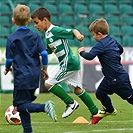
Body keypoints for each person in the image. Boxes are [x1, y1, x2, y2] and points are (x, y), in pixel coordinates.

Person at [31, 7, 106, 124]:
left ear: (45, 20)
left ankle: (70, 103)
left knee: (49, 83)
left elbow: (72, 31)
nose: (35, 26)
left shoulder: (54, 30)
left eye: (36, 22)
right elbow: (49, 51)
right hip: (71, 62)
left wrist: (79, 35)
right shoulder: (47, 35)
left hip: (68, 62)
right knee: (77, 90)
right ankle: (95, 112)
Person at [4, 4, 57, 133]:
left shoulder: (12, 38)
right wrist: (44, 69)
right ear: (29, 20)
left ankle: (44, 107)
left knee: (20, 106)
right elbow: (44, 53)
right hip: (34, 75)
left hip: (21, 76)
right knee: (24, 103)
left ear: (13, 20)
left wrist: (7, 68)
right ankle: (27, 131)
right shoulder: (35, 36)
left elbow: (10, 59)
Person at [78, 18, 133, 119]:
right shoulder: (112, 40)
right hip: (110, 78)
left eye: (94, 34)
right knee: (100, 93)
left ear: (99, 34)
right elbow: (120, 50)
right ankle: (110, 110)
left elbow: (90, 56)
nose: (93, 37)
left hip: (118, 78)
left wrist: (81, 52)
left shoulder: (100, 44)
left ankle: (110, 109)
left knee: (130, 99)